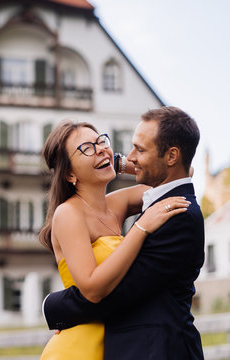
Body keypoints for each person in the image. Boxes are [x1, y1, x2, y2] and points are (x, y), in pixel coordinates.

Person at [41, 106, 204, 360]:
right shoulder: (68, 214)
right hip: (81, 344)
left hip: (115, 339)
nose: (99, 149)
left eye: (100, 141)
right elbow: (93, 289)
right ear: (70, 173)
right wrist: (140, 228)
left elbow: (178, 175)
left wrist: (116, 161)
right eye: (86, 148)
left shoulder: (117, 204)